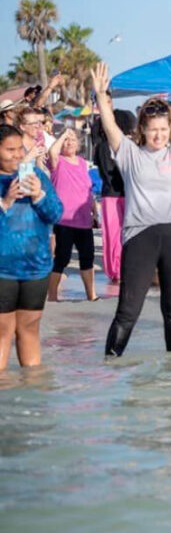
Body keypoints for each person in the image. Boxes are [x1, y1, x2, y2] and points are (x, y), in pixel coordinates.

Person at [90, 62, 171, 357]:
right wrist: (101, 95)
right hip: (141, 237)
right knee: (128, 311)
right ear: (143, 130)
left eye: (164, 129)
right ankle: (110, 365)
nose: (159, 135)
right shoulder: (129, 154)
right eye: (153, 130)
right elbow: (111, 127)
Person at [0, 124, 63, 369]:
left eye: (20, 149)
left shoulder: (38, 177)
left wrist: (38, 195)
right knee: (3, 330)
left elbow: (56, 214)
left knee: (29, 329)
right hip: (3, 269)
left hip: (36, 267)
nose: (17, 155)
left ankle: (33, 396)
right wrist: (6, 202)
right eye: (9, 150)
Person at [46, 128, 98, 302]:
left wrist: (94, 210)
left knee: (87, 257)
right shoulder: (57, 161)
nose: (69, 143)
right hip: (64, 218)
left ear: (79, 143)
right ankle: (52, 295)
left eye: (73, 140)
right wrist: (62, 135)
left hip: (83, 218)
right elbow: (52, 151)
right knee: (62, 257)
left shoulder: (83, 162)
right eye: (67, 140)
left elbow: (87, 189)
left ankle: (92, 294)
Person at [91, 101, 133, 284]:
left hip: (116, 194)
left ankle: (118, 269)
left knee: (116, 234)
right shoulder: (109, 146)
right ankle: (117, 270)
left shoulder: (104, 145)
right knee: (115, 234)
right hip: (115, 194)